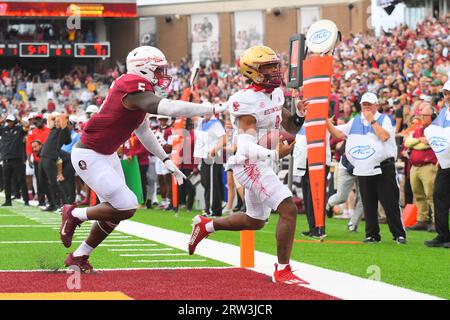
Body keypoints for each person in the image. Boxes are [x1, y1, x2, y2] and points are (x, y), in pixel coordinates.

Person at [60, 45, 226, 272]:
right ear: (143, 69)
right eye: (158, 70)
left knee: (115, 211)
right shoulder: (131, 85)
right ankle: (74, 213)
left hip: (106, 154)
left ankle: (80, 256)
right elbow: (167, 108)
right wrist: (210, 108)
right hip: (89, 154)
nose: (162, 75)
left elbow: (143, 131)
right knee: (126, 205)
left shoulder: (139, 92)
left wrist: (166, 160)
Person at [188, 45, 308, 284]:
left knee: (255, 221)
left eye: (276, 65)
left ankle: (206, 225)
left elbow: (290, 127)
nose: (275, 71)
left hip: (262, 161)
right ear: (253, 71)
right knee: (288, 209)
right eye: (269, 67)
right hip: (248, 164)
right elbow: (243, 146)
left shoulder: (275, 94)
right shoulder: (246, 101)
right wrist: (275, 154)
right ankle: (282, 270)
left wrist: (299, 116)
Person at [327, 92, 406, 244]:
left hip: (383, 167)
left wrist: (372, 121)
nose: (367, 107)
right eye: (364, 104)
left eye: (369, 104)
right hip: (363, 167)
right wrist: (325, 122)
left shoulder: (384, 119)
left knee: (390, 202)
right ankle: (372, 234)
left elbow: (384, 136)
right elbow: (337, 133)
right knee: (368, 203)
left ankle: (398, 234)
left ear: (376, 105)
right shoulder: (355, 120)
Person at [424, 80, 450, 248]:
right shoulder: (444, 111)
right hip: (445, 163)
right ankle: (443, 235)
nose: (447, 97)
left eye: (449, 93)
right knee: (439, 195)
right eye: (446, 93)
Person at [404, 104, 437, 232]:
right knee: (418, 194)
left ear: (432, 116)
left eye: (425, 115)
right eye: (421, 115)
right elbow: (407, 143)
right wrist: (420, 141)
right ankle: (422, 219)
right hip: (415, 166)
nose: (422, 117)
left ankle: (436, 221)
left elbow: (430, 144)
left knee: (431, 195)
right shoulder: (419, 129)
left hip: (428, 166)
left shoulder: (436, 129)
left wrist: (416, 143)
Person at [193, 112, 226, 216]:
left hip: (213, 157)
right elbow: (192, 115)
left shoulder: (215, 123)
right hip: (204, 156)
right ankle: (210, 208)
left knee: (212, 184)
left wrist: (215, 149)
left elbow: (224, 139)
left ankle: (212, 210)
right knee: (206, 183)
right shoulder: (201, 122)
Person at [39, 113, 72, 211]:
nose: (56, 123)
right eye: (56, 121)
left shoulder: (64, 131)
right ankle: (52, 204)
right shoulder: (54, 129)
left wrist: (60, 118)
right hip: (43, 157)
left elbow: (63, 117)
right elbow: (49, 117)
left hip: (50, 158)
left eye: (58, 121)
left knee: (53, 183)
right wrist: (56, 117)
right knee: (42, 183)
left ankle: (66, 205)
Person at [0, 114, 29, 206]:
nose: (9, 123)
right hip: (6, 159)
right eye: (8, 121)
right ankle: (8, 201)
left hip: (17, 159)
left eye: (11, 121)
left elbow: (26, 126)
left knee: (21, 180)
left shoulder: (19, 129)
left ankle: (26, 200)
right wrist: (2, 120)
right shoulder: (3, 129)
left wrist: (19, 119)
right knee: (6, 181)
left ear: (14, 121)